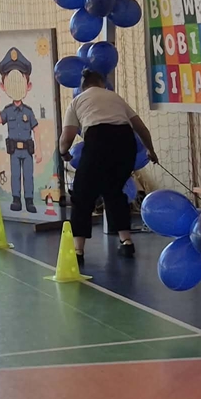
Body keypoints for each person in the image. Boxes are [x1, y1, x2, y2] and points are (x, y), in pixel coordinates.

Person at [59, 70, 158, 267]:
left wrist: (64, 153)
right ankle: (126, 242)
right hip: (125, 143)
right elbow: (141, 128)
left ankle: (78, 250)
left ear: (83, 87)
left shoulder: (77, 101)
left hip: (98, 140)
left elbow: (67, 136)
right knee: (114, 191)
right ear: (102, 83)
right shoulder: (115, 98)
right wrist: (151, 151)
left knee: (82, 195)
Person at [0, 48, 41, 212]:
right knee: (15, 175)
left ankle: (29, 201)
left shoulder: (28, 111)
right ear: (3, 86)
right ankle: (16, 199)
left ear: (28, 86)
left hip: (27, 149)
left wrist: (39, 150)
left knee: (28, 175)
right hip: (14, 149)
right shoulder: (8, 110)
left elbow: (36, 129)